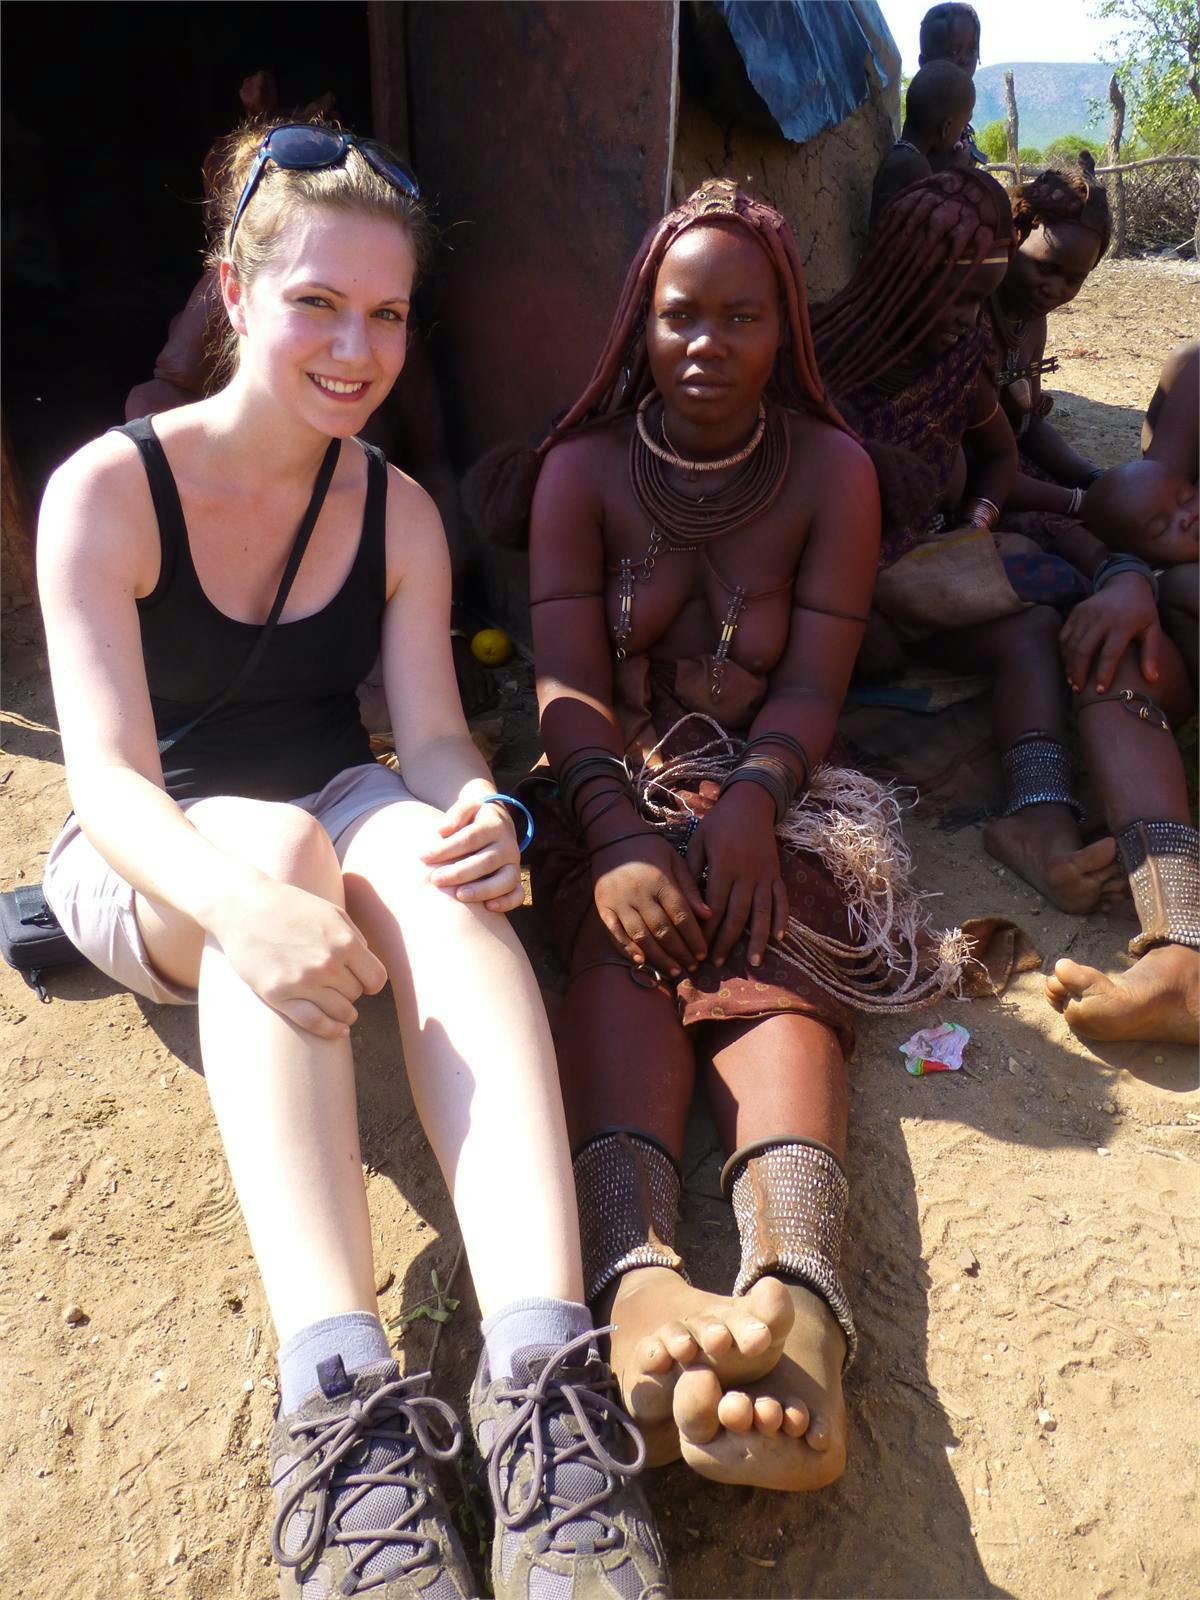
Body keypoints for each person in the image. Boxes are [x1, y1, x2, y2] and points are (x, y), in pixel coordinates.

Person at [36, 119, 669, 1600]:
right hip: (154, 850)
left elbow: (433, 736)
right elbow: (110, 781)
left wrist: (482, 813)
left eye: (385, 314)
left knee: (434, 868)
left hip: (329, 800)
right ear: (234, 291)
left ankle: (544, 1378)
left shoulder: (395, 510)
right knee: (274, 843)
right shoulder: (109, 492)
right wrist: (242, 903)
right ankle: (340, 1411)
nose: (355, 348)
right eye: (317, 302)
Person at [509, 180, 966, 1495]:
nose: (707, 343)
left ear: (787, 331)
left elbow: (814, 682)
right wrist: (615, 835)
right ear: (639, 325)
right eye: (680, 315)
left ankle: (797, 1296)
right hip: (611, 778)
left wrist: (759, 805)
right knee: (627, 945)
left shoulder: (832, 472)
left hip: (778, 780)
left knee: (781, 936)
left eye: (742, 317)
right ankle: (636, 1278)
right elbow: (565, 684)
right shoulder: (581, 472)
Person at [815, 169, 1199, 1043]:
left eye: (978, 302)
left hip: (933, 559)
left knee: (1048, 613)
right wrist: (1123, 566)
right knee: (1095, 637)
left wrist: (986, 516)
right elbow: (1137, 502)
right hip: (860, 581)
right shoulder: (827, 368)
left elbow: (1005, 456)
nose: (970, 321)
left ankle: (1042, 816)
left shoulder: (961, 361)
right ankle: (1174, 936)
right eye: (960, 300)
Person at [869, 61, 976, 225]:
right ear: (945, 128)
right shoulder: (914, 166)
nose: (962, 133)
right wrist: (957, 170)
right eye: (962, 126)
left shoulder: (903, 155)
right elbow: (938, 220)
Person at [917, 2, 984, 167]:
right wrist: (955, 168)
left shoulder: (961, 110)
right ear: (924, 62)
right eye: (953, 51)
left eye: (972, 50)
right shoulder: (928, 114)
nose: (964, 60)